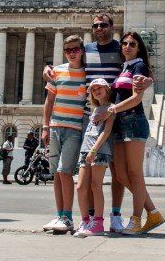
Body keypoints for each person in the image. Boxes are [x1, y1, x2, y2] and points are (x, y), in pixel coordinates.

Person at [43, 13, 152, 234]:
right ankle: (93, 217)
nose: (99, 28)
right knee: (92, 171)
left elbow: (138, 69)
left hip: (116, 114)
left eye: (104, 25)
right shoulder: (87, 50)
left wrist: (149, 79)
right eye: (96, 25)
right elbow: (71, 64)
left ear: (112, 26)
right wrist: (49, 67)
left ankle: (116, 214)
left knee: (117, 171)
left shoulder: (121, 49)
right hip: (89, 116)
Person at [110, 31, 165, 235]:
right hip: (118, 124)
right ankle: (152, 211)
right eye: (124, 43)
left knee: (134, 173)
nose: (127, 46)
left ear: (139, 47)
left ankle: (136, 219)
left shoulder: (139, 66)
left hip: (133, 120)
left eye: (132, 44)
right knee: (121, 175)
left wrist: (113, 109)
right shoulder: (124, 67)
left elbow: (136, 98)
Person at [42, 35, 88, 234]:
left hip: (74, 129)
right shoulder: (57, 71)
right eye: (68, 50)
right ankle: (59, 213)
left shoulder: (87, 74)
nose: (72, 53)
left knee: (65, 171)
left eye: (75, 49)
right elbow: (49, 101)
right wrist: (45, 126)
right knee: (56, 174)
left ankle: (68, 216)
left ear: (82, 50)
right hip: (55, 127)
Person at [73, 78, 116, 237]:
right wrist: (87, 150)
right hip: (86, 149)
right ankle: (85, 220)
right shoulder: (95, 109)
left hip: (99, 150)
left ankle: (98, 222)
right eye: (93, 89)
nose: (96, 91)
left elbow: (106, 131)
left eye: (100, 88)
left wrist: (94, 150)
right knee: (81, 187)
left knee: (95, 186)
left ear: (106, 89)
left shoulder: (111, 108)